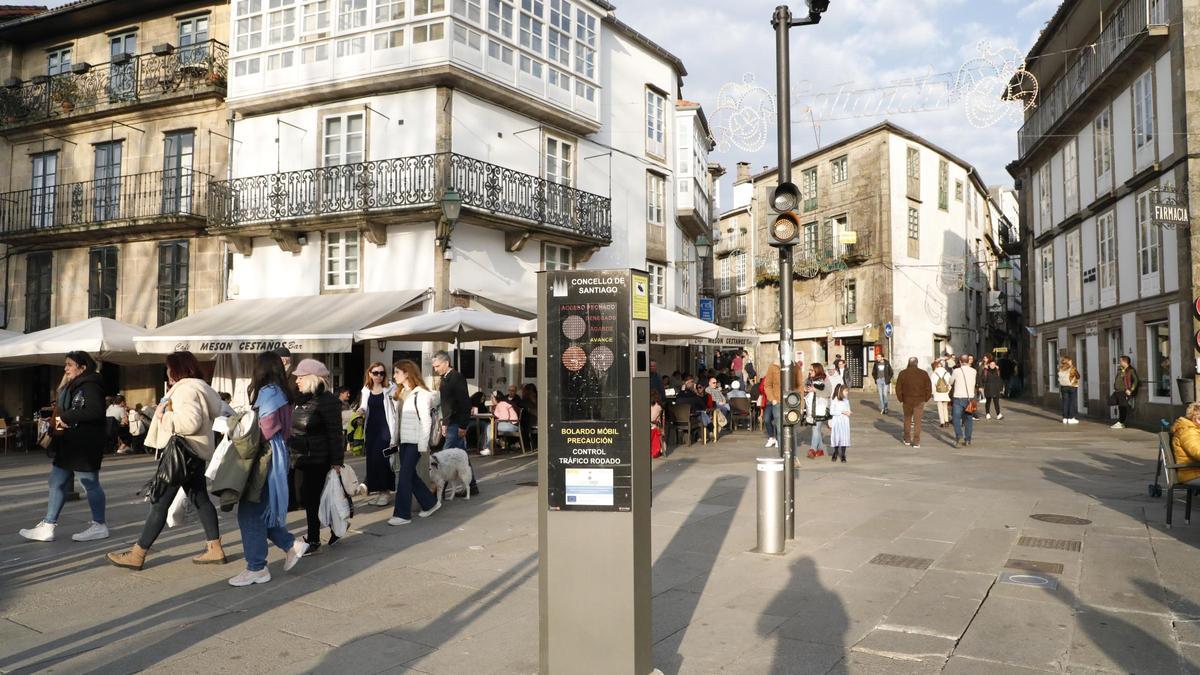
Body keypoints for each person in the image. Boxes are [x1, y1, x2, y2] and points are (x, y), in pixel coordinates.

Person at [107, 351, 232, 570]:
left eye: (168, 367)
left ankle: (137, 554)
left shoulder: (185, 390)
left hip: (182, 453)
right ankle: (215, 548)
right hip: (195, 453)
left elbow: (190, 422)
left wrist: (165, 414)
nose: (166, 372)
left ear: (176, 369)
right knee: (200, 499)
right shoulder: (202, 387)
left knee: (159, 503)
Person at [230, 351, 308, 587]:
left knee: (250, 510)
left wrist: (240, 425)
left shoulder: (269, 392)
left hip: (266, 457)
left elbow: (267, 426)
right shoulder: (282, 392)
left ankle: (257, 568)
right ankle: (290, 545)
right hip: (278, 455)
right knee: (262, 509)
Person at [19, 351, 109, 543]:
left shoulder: (90, 385)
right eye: (65, 364)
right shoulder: (74, 385)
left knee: (90, 483)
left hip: (84, 445)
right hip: (70, 444)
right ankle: (48, 525)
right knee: (56, 481)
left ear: (82, 367)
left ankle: (99, 525)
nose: (66, 368)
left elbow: (95, 411)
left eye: (70, 364)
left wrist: (66, 416)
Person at [288, 359, 345, 552]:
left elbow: (336, 433)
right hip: (299, 456)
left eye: (301, 377)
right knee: (305, 497)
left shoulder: (328, 401)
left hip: (318, 457)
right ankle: (330, 526)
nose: (297, 381)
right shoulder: (299, 399)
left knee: (314, 498)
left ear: (311, 378)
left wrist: (337, 462)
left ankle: (313, 538)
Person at [388, 359, 440, 526]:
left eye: (397, 372)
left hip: (415, 442)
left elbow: (426, 421)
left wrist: (423, 445)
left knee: (404, 476)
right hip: (404, 440)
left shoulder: (421, 394)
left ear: (407, 373)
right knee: (410, 475)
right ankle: (430, 503)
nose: (394, 375)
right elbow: (399, 420)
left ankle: (402, 514)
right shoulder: (401, 393)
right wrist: (393, 440)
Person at [432, 351, 479, 495]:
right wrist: (444, 423)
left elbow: (465, 403)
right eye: (434, 366)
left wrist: (463, 425)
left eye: (437, 366)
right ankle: (472, 486)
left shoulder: (456, 378)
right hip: (450, 422)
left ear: (446, 363)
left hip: (457, 423)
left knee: (445, 456)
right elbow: (447, 404)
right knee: (461, 455)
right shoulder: (445, 378)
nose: (435, 369)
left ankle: (438, 490)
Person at [358, 361, 397, 506]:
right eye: (375, 373)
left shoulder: (390, 387)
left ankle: (385, 492)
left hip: (386, 429)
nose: (378, 376)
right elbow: (364, 405)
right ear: (370, 373)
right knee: (372, 460)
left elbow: (396, 407)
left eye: (381, 373)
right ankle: (378, 491)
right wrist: (360, 411)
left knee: (384, 460)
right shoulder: (366, 389)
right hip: (371, 429)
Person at [895, 357, 932, 448]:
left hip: (907, 400)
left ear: (909, 363)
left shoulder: (903, 373)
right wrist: (926, 398)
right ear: (917, 363)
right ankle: (916, 441)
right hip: (919, 400)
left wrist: (901, 399)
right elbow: (928, 387)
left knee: (907, 419)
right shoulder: (923, 374)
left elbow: (898, 388)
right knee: (917, 421)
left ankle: (907, 438)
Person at [1169, 403, 1200, 487]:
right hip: (1192, 474)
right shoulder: (1188, 432)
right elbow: (1196, 452)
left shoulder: (1195, 429)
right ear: (1196, 419)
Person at [950, 354, 978, 447]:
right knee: (969, 419)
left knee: (956, 418)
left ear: (960, 362)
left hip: (958, 397)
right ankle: (968, 440)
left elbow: (951, 382)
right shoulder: (974, 371)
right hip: (970, 398)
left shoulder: (956, 371)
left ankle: (959, 435)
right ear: (968, 361)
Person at [805, 363, 831, 458]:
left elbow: (828, 392)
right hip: (811, 407)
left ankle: (812, 449)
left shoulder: (824, 379)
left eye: (811, 370)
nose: (810, 372)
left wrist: (815, 390)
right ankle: (820, 450)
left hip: (821, 408)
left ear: (817, 370)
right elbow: (806, 388)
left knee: (815, 428)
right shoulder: (809, 379)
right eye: (809, 370)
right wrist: (806, 390)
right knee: (816, 429)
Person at [1111, 355, 1139, 429]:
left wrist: (1131, 390)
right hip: (1118, 391)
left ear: (1125, 362)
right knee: (1120, 406)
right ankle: (1120, 422)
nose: (1119, 362)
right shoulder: (1121, 369)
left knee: (1123, 407)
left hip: (1125, 391)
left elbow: (1136, 380)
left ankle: (1121, 422)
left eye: (1120, 361)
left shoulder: (1131, 370)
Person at [489, 390, 521, 454]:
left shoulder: (502, 404)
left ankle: (488, 447)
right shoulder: (501, 404)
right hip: (512, 425)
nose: (491, 400)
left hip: (512, 426)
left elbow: (504, 418)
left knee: (490, 426)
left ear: (496, 398)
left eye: (492, 398)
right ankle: (489, 447)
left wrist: (495, 421)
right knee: (490, 426)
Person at [828, 384, 851, 463]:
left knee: (844, 437)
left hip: (844, 421)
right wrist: (842, 412)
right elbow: (831, 412)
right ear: (841, 391)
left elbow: (848, 410)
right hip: (837, 421)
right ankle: (835, 452)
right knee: (837, 436)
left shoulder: (846, 401)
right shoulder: (835, 400)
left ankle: (843, 454)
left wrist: (848, 413)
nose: (847, 392)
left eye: (847, 391)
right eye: (845, 391)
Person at [763, 361, 781, 448]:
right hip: (770, 401)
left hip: (778, 400)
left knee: (778, 420)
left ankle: (778, 438)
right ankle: (771, 437)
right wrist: (771, 396)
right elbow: (764, 387)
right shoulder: (768, 377)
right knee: (766, 419)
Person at [980, 354, 1004, 420]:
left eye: (994, 365)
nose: (992, 366)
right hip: (988, 388)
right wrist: (981, 386)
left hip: (996, 389)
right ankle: (987, 413)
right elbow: (983, 379)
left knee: (996, 402)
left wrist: (1001, 388)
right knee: (988, 401)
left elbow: (1000, 380)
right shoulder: (985, 371)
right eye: (991, 364)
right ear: (989, 365)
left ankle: (998, 414)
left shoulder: (997, 371)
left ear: (995, 365)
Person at [1058, 357, 1081, 425]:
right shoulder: (1072, 368)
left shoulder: (1060, 369)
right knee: (1072, 402)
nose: (1071, 362)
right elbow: (1078, 376)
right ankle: (1071, 418)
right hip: (1072, 387)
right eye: (1070, 361)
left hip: (1063, 387)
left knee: (1065, 402)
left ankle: (1065, 418)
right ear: (1068, 362)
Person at [931, 358, 953, 428]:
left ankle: (942, 422)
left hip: (938, 392)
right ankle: (946, 421)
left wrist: (933, 392)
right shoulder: (947, 373)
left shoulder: (934, 374)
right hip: (945, 392)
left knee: (940, 407)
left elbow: (932, 385)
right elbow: (950, 383)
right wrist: (948, 390)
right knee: (945, 407)